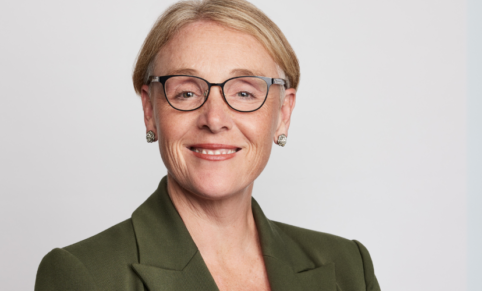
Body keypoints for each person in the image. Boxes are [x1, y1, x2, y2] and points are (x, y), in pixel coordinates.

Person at [35, 0, 381, 290]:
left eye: (244, 92)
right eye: (186, 92)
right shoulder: (84, 275)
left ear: (283, 113)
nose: (214, 119)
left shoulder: (349, 267)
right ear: (149, 110)